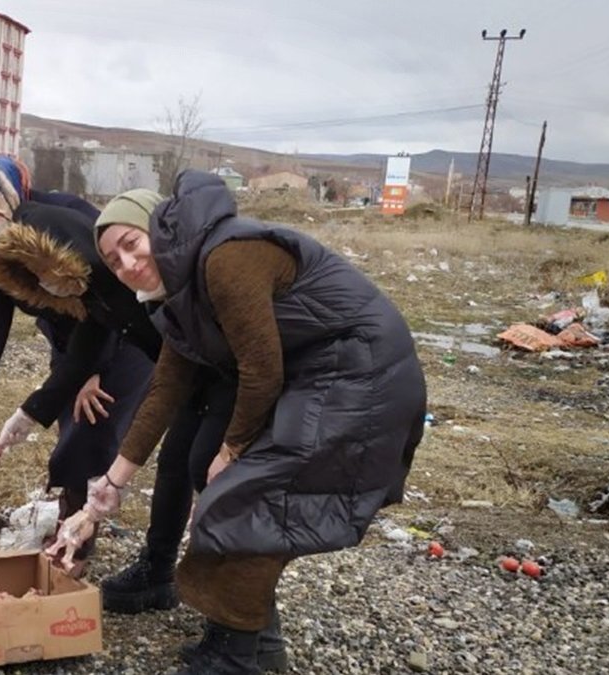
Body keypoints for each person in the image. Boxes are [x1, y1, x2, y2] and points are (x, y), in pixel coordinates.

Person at [49, 170, 427, 675]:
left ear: (158, 230)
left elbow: (261, 366)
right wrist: (109, 487)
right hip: (322, 372)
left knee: (248, 493)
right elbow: (165, 390)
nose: (128, 265)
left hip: (361, 369)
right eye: (114, 261)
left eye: (132, 245)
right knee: (239, 491)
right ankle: (254, 641)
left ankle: (236, 653)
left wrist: (233, 451)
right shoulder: (178, 298)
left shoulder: (224, 258)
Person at [0, 156, 151, 567]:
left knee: (91, 428)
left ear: (9, 198)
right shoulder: (1, 255)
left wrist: (92, 371)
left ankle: (77, 541)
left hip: (122, 339)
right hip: (74, 345)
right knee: (69, 426)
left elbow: (107, 298)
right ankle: (71, 520)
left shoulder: (64, 220)